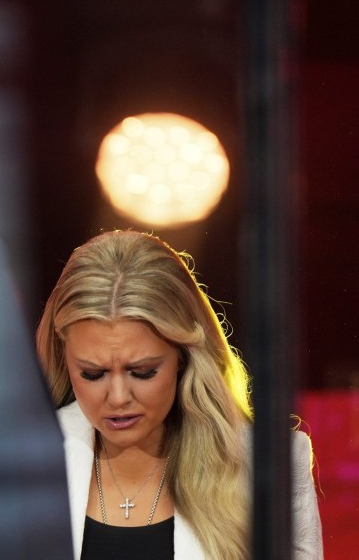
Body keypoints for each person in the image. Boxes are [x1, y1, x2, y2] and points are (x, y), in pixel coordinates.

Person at [36, 230, 322, 560]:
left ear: (183, 356)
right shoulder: (18, 459)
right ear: (64, 357)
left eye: (142, 371)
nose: (117, 397)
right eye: (92, 373)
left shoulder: (268, 467)